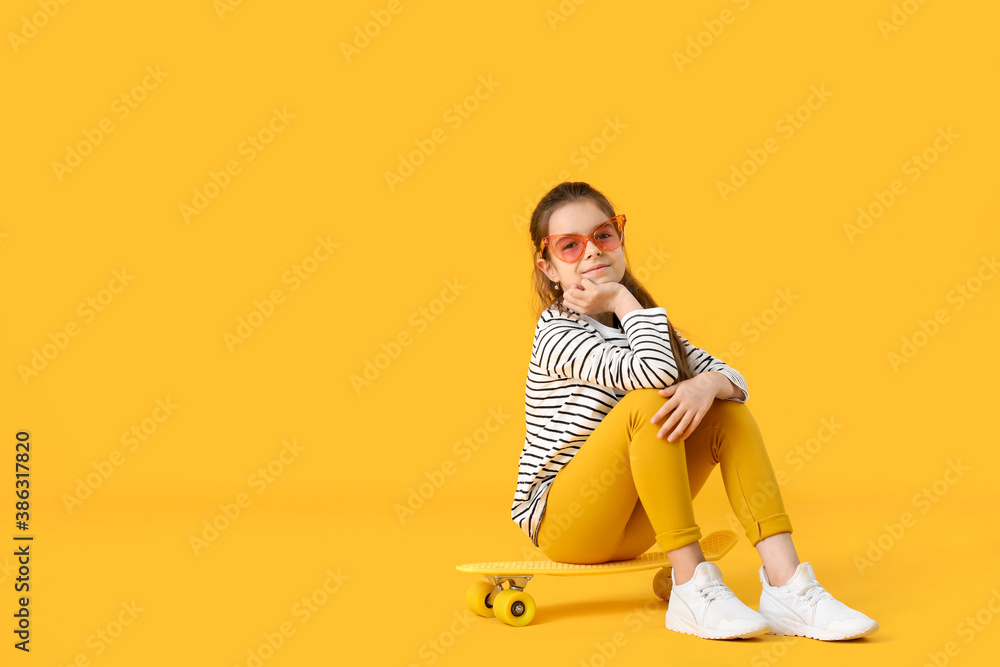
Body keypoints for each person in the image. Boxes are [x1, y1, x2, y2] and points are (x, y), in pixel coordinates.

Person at [510, 181, 878, 641]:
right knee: (649, 403)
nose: (592, 252)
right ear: (547, 267)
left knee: (725, 409)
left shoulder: (639, 322)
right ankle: (691, 586)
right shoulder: (557, 334)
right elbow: (656, 378)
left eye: (604, 235)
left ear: (620, 237)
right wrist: (623, 299)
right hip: (565, 524)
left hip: (632, 524)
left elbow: (735, 380)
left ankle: (788, 587)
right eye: (570, 246)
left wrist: (707, 384)